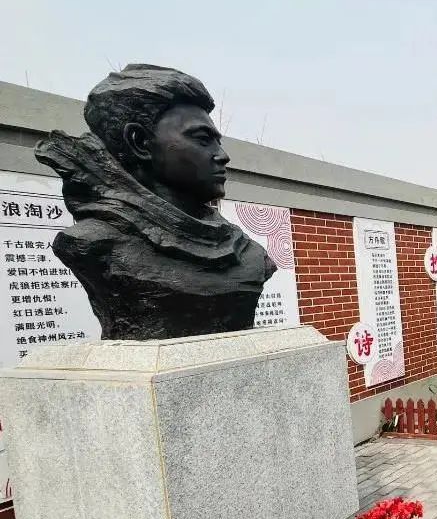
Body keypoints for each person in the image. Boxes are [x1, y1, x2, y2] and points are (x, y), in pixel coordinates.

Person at [35, 64, 276, 340]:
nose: (222, 155)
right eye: (203, 139)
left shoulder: (251, 254)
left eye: (217, 142)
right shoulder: (95, 244)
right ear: (139, 142)